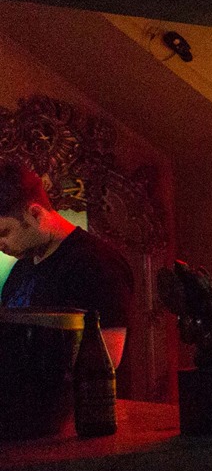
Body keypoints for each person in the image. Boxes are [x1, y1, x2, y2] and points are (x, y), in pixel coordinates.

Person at [0, 158, 136, 369]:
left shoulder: (97, 264)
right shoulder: (22, 269)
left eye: (4, 233)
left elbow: (104, 364)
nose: (1, 244)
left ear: (35, 214)